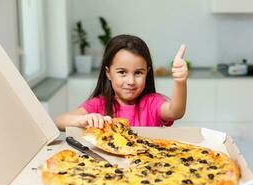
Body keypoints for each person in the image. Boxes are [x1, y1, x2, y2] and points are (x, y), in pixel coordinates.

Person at [55, 34, 189, 131]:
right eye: (122, 72)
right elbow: (59, 121)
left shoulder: (152, 103)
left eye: (138, 73)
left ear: (147, 72)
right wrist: (82, 120)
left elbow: (175, 112)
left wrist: (180, 81)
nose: (130, 81)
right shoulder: (98, 104)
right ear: (108, 73)